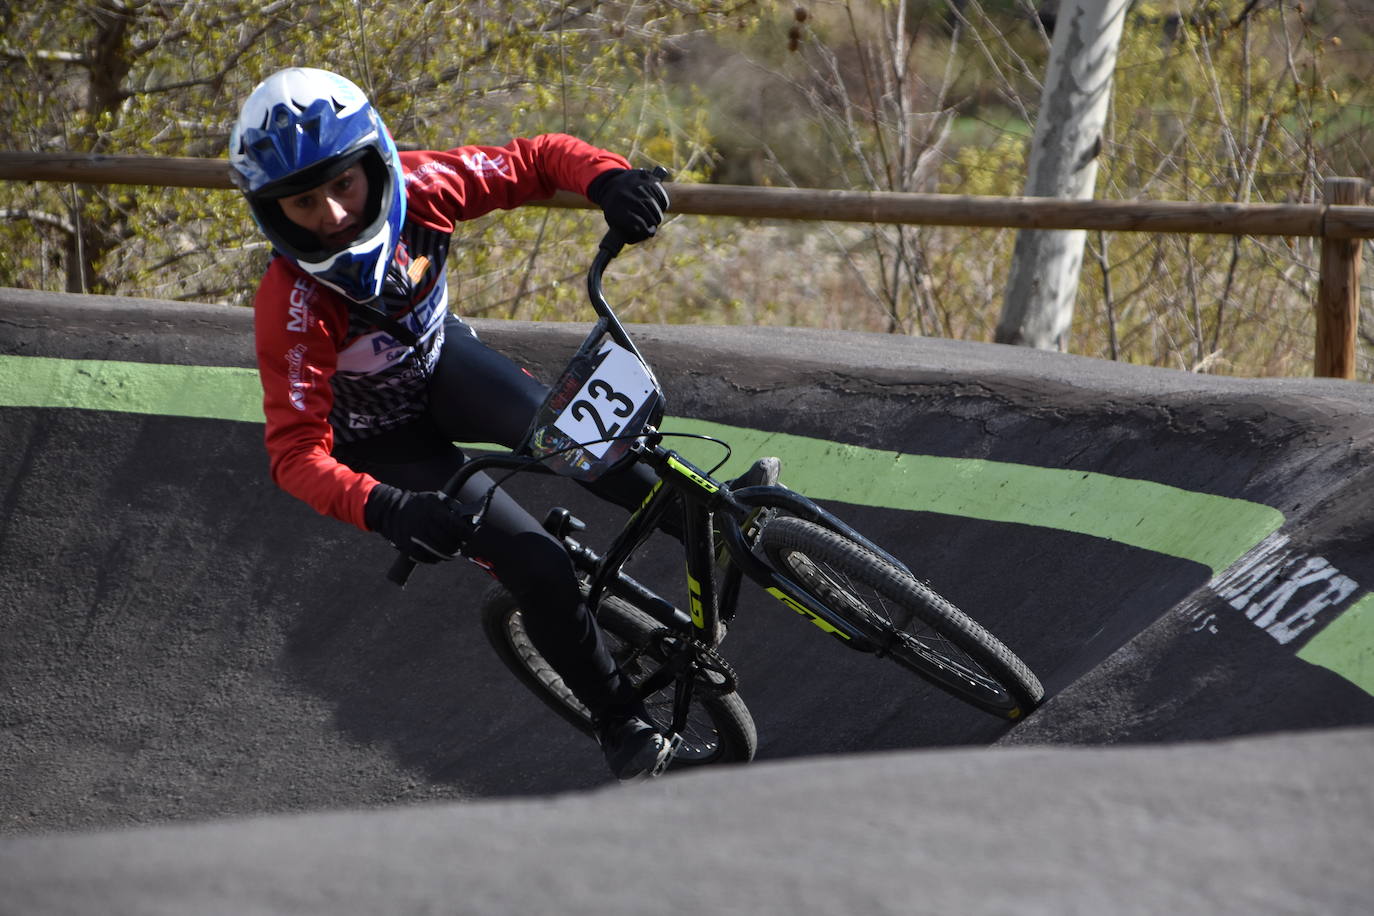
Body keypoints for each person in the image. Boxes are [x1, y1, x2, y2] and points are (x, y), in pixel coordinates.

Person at [228, 67, 682, 780]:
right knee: (539, 565)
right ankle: (618, 718)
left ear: (375, 164)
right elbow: (294, 455)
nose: (335, 215)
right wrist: (386, 507)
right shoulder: (292, 305)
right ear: (273, 213)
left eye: (343, 186)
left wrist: (607, 180)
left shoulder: (425, 187)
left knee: (607, 453)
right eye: (305, 202)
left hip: (447, 370)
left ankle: (730, 532)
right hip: (387, 445)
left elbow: (534, 161)